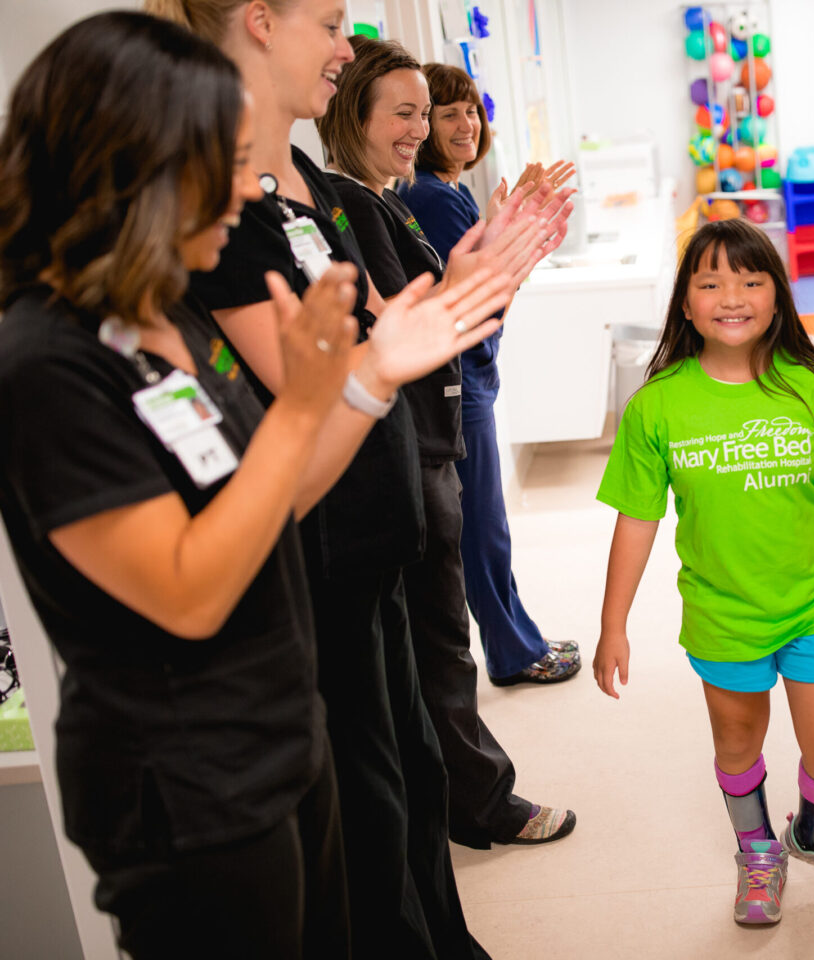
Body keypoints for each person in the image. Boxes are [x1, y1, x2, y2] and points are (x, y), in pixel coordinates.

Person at [0, 11, 512, 957]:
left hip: (276, 730)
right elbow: (189, 591)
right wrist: (323, 395)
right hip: (189, 786)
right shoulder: (45, 363)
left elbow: (272, 502)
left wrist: (367, 379)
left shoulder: (162, 320)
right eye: (227, 162)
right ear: (136, 161)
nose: (249, 192)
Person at [146, 1, 543, 956]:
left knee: (408, 782)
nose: (344, 49)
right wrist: (414, 334)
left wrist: (465, 285)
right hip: (315, 557)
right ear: (255, 22)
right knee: (365, 812)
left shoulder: (301, 185)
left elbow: (381, 327)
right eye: (328, 25)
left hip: (375, 538)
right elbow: (318, 382)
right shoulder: (219, 202)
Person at [593, 219, 814, 925]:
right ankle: (757, 851)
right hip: (723, 613)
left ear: (778, 298)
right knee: (737, 744)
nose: (730, 296)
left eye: (750, 279)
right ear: (685, 303)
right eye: (709, 282)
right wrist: (612, 623)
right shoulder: (658, 406)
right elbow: (636, 521)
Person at [315, 35, 578, 848]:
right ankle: (478, 802)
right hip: (405, 449)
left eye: (426, 115)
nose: (421, 130)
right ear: (348, 111)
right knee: (436, 647)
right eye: (407, 113)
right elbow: (414, 332)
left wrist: (503, 258)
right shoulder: (349, 205)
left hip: (425, 442)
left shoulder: (385, 200)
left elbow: (445, 316)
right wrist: (498, 262)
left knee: (439, 641)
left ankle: (461, 799)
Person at [399, 63, 580, 686]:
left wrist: (515, 229)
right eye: (446, 114)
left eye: (471, 110)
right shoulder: (431, 196)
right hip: (458, 382)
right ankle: (511, 651)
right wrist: (524, 236)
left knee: (488, 525)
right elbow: (484, 301)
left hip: (470, 375)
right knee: (483, 530)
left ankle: (517, 640)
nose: (465, 124)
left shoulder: (451, 192)